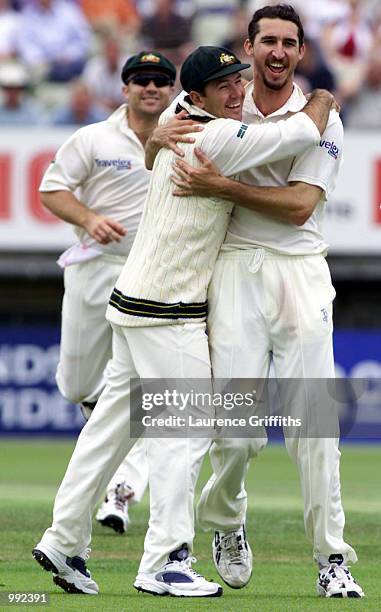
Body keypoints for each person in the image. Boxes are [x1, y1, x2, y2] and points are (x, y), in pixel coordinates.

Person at [32, 44, 333, 598]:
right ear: (195, 96)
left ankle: (63, 539)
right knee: (186, 432)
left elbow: (155, 145)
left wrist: (152, 140)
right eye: (224, 87)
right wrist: (321, 98)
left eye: (239, 81)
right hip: (165, 308)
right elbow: (296, 137)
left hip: (135, 299)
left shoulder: (179, 122)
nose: (238, 91)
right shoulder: (212, 133)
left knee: (109, 430)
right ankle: (164, 561)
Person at [169, 4, 364, 599]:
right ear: (248, 47)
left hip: (301, 267)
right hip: (234, 270)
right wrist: (155, 135)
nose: (278, 52)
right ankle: (226, 519)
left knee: (314, 426)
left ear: (301, 52)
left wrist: (221, 185)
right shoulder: (224, 102)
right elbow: (162, 131)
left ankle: (333, 558)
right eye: (267, 41)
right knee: (239, 429)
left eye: (289, 43)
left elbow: (301, 204)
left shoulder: (322, 116)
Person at [39, 51, 178, 534]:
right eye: (142, 80)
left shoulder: (186, 136)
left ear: (171, 89)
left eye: (161, 80)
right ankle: (116, 440)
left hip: (151, 276)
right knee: (78, 386)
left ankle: (123, 489)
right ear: (125, 88)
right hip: (95, 268)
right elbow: (51, 189)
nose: (152, 88)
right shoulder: (93, 138)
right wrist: (89, 219)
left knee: (142, 386)